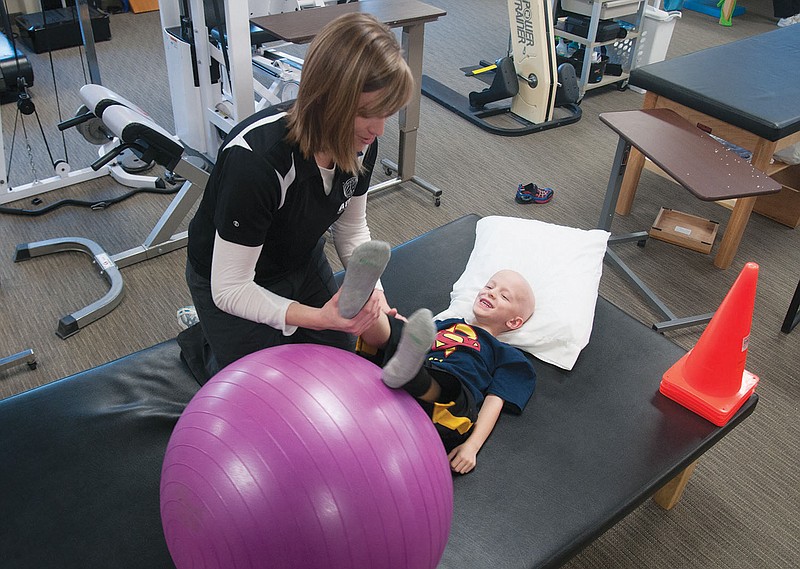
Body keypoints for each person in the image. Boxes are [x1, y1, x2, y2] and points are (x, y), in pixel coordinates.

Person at [177, 13, 415, 383]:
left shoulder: (361, 142)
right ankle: (204, 339)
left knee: (337, 367)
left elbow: (351, 231)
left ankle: (231, 332)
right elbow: (230, 288)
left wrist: (374, 292)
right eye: (367, 113)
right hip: (232, 281)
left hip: (300, 260)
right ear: (327, 100)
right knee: (265, 388)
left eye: (387, 113)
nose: (378, 129)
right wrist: (318, 317)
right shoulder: (256, 161)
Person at [359, 269, 538, 474]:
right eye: (489, 286)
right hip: (418, 367)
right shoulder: (445, 324)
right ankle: (366, 311)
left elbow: (494, 402)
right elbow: (414, 340)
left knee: (449, 390)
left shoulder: (507, 355)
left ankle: (411, 376)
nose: (490, 293)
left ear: (514, 322)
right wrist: (398, 327)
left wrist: (472, 446)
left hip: (454, 402)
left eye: (504, 296)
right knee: (397, 332)